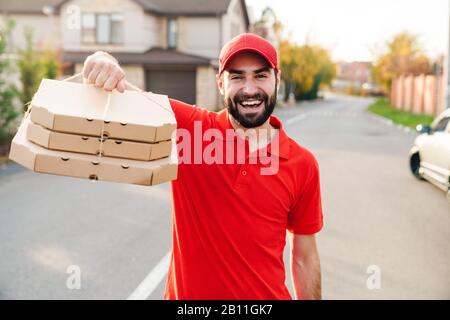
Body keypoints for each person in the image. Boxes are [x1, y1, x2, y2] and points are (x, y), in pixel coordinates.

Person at [82, 33, 324, 300]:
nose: (250, 89)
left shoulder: (303, 164)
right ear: (220, 82)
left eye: (260, 75)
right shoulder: (190, 129)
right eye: (237, 77)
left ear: (277, 78)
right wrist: (102, 61)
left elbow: (304, 257)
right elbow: (124, 97)